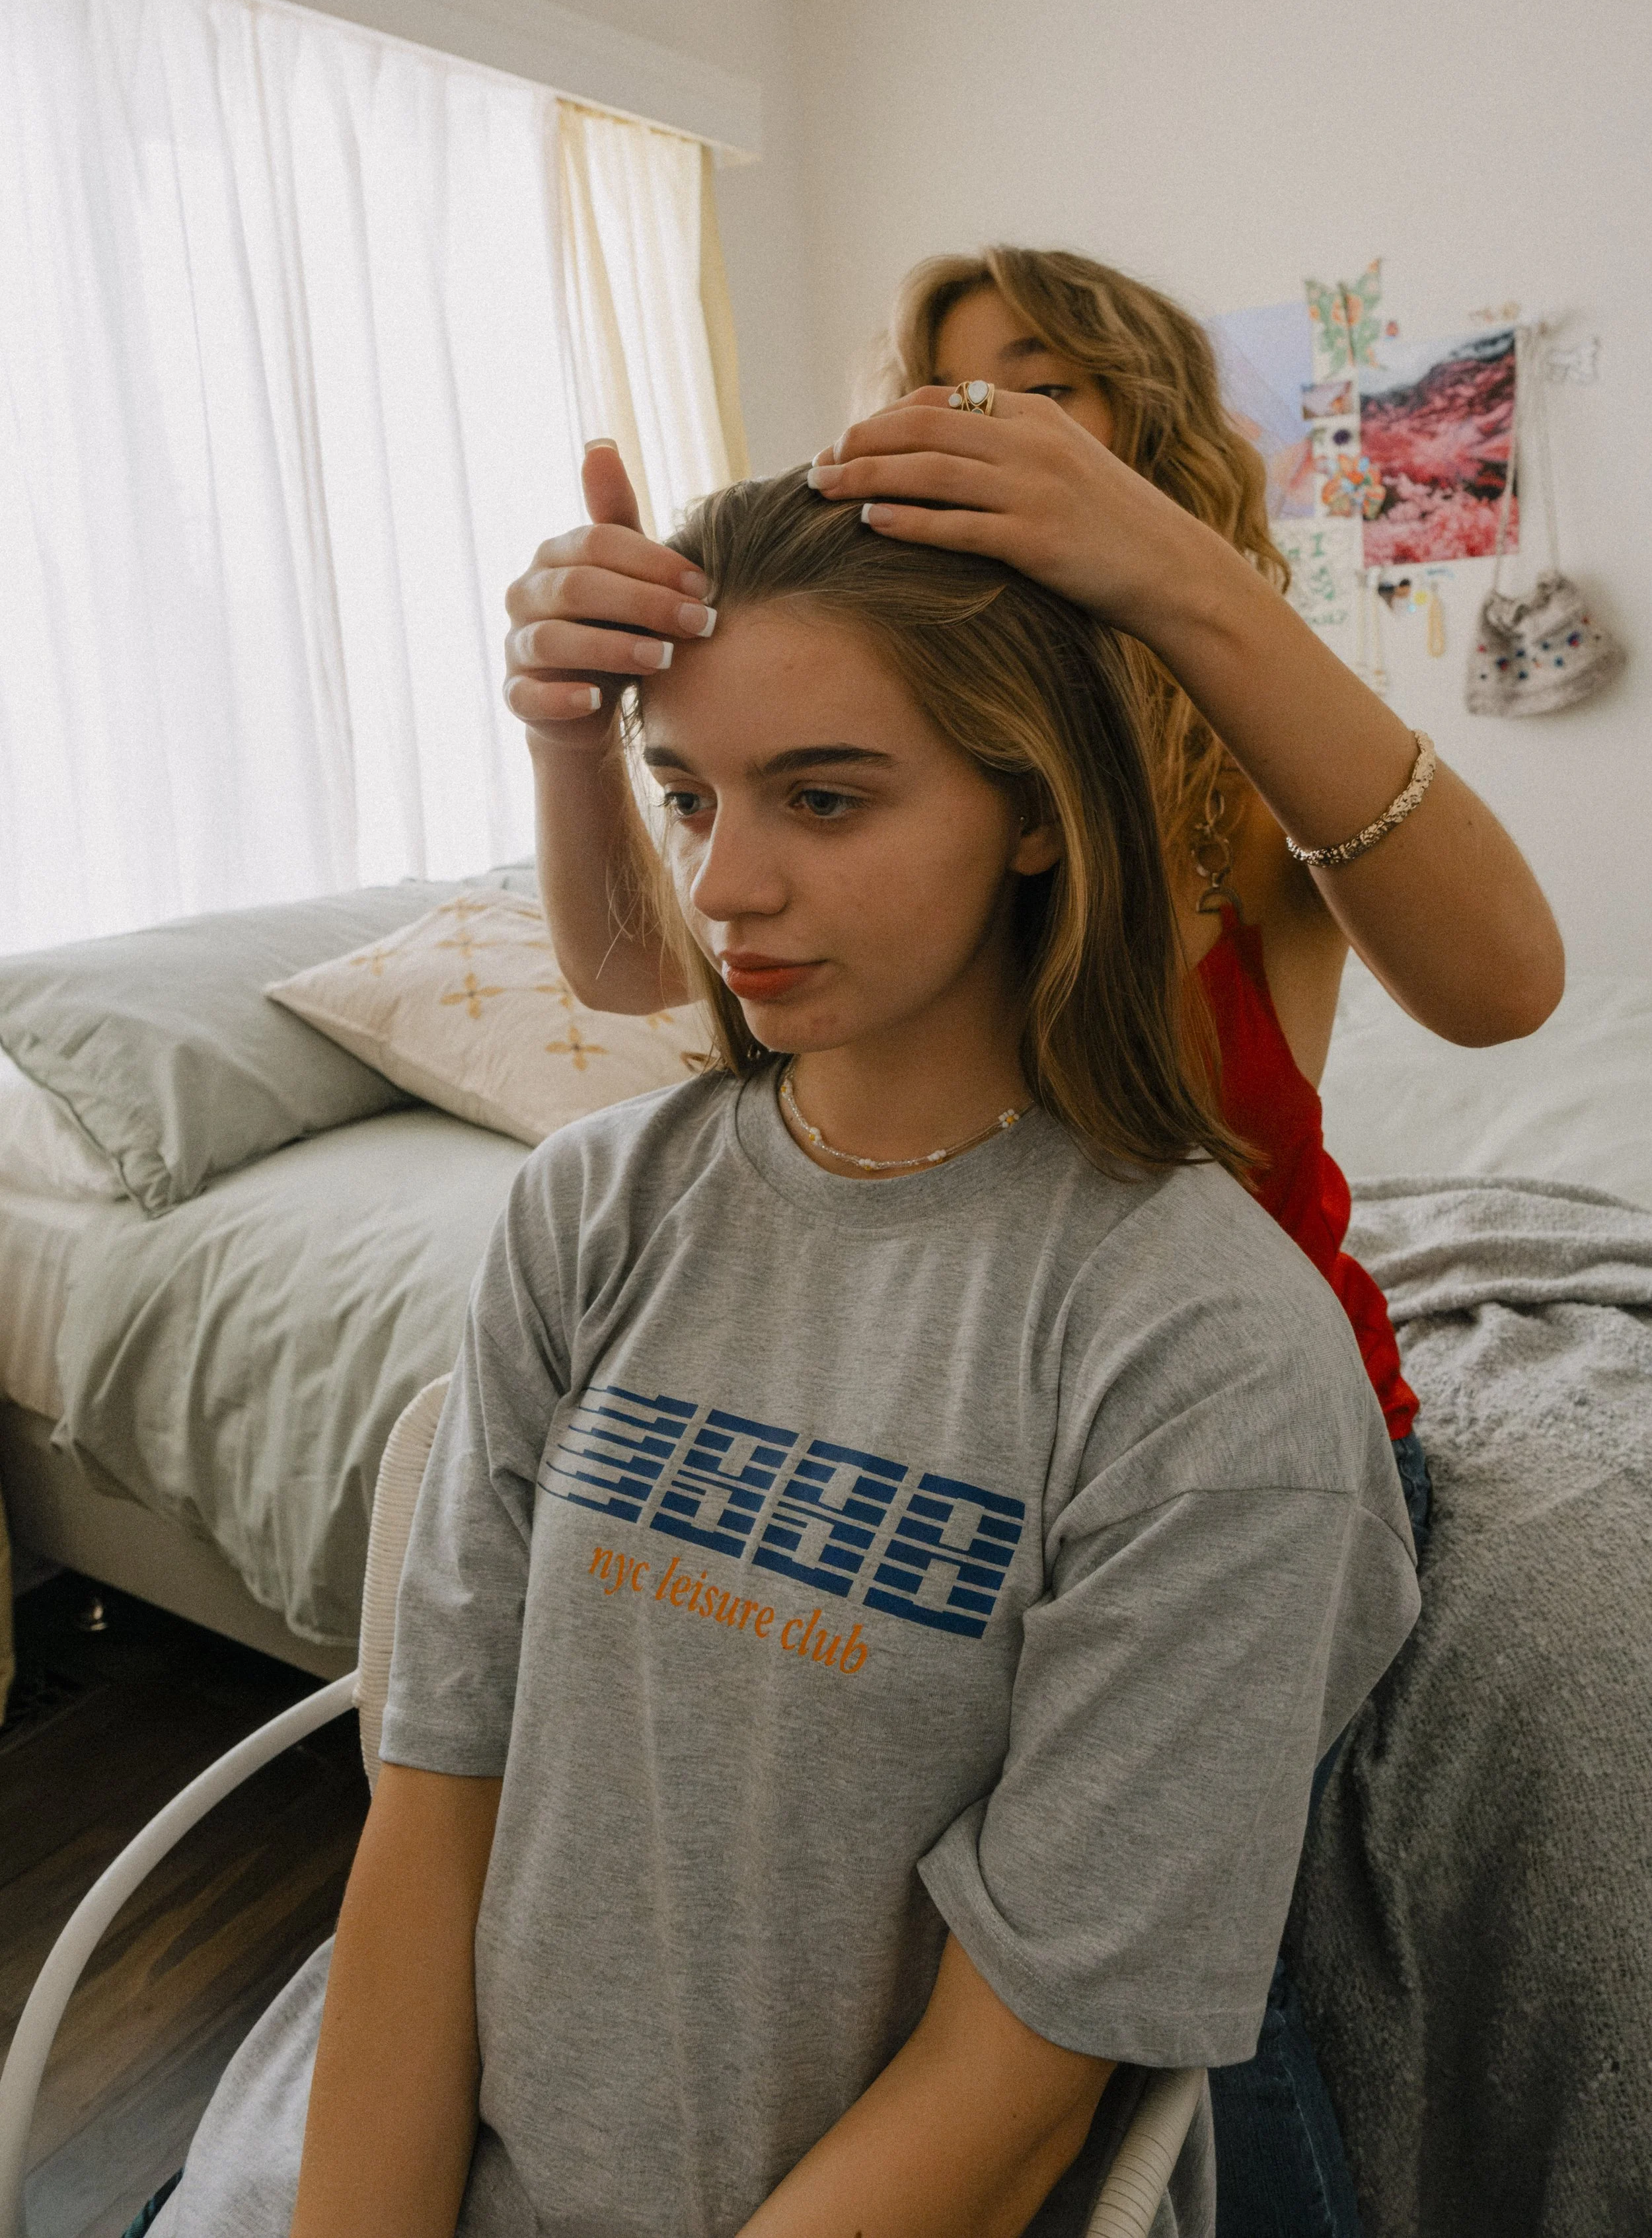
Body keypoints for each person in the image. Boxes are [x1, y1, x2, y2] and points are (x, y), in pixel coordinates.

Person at [143, 476, 1419, 2238]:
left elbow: (1015, 2078)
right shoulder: (587, 1209)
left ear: (1033, 814)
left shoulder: (1204, 1354)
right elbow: (438, 1808)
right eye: (686, 795)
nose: (724, 887)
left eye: (823, 797)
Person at [498, 247, 1565, 2235]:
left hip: (1202, 1429)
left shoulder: (1227, 750)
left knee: (1179, 1991)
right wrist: (583, 728)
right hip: (933, 1386)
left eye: (1030, 389)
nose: (962, 430)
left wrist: (1174, 577)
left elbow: (1503, 985)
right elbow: (673, 974)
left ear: (1149, 434)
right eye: (929, 389)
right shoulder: (882, 767)